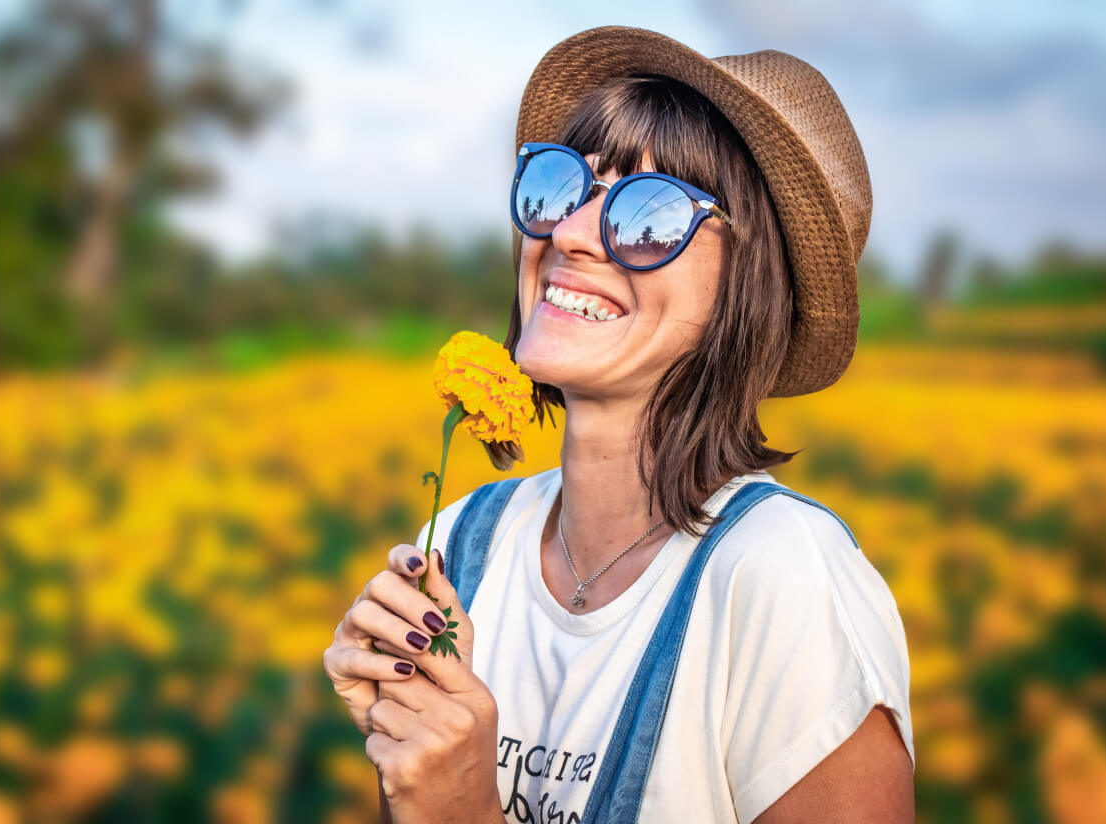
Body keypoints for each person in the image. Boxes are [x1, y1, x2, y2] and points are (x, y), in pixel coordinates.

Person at [324, 25, 915, 824]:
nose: (566, 233)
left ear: (748, 288)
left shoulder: (779, 578)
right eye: (562, 188)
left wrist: (468, 808)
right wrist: (411, 765)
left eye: (649, 214)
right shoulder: (462, 545)